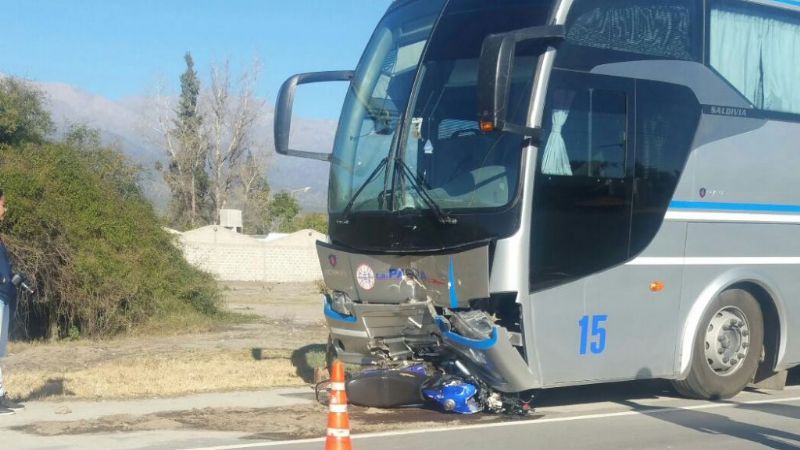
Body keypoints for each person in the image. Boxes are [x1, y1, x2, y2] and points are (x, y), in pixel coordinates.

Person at [0, 190, 23, 415]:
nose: (5, 210)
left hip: (3, 296)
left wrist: (13, 279)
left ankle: (0, 394)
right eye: (3, 205)